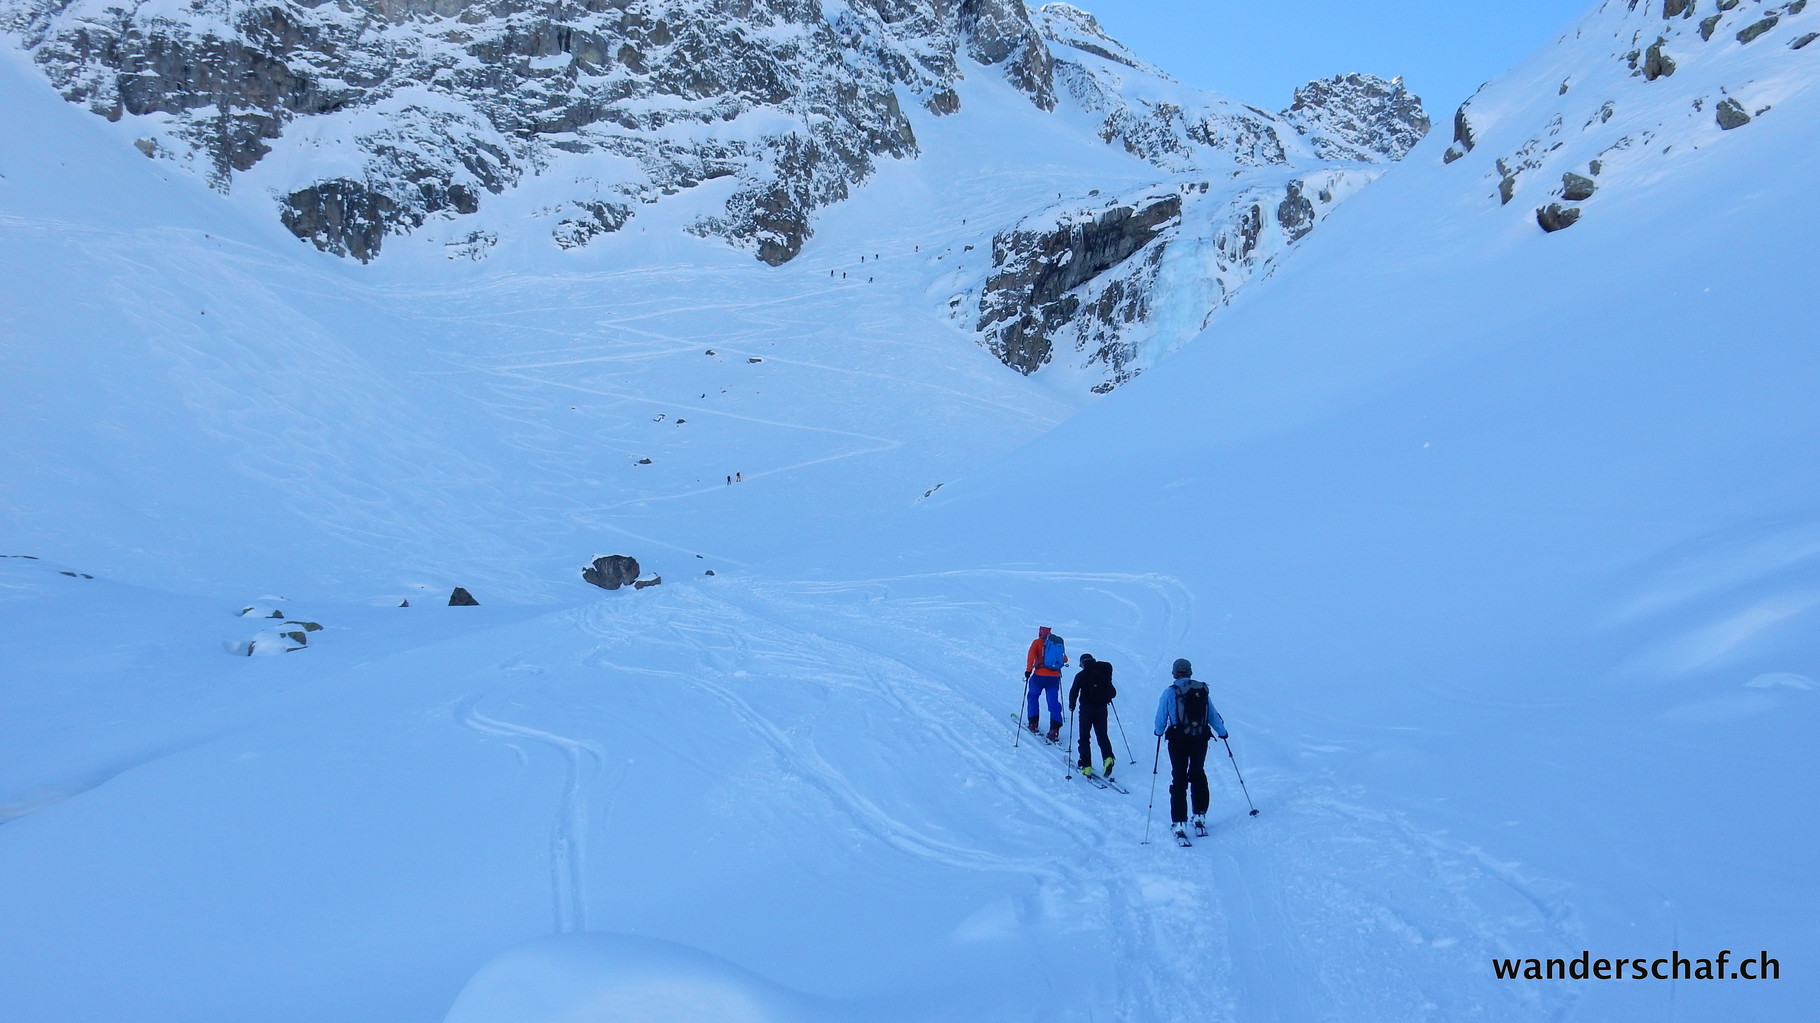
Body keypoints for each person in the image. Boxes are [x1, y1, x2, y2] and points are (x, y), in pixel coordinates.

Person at [1153, 658, 1228, 842]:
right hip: (1200, 738)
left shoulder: (1170, 692)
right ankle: (1200, 815)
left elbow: (1160, 719)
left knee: (1179, 777)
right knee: (1197, 773)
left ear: (1174, 673)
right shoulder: (1201, 690)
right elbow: (1212, 715)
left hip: (1178, 740)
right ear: (1190, 672)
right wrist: (1222, 732)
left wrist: (1159, 731)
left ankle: (1179, 822)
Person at [1069, 654, 1118, 777]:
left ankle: (1086, 766)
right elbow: (1112, 692)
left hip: (1086, 709)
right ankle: (1108, 758)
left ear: (1083, 663)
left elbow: (1074, 691)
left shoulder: (1081, 675)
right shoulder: (1103, 673)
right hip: (1101, 708)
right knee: (1102, 735)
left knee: (1084, 737)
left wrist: (1072, 705)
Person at [1023, 626, 1068, 742]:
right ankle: (1054, 730)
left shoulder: (1037, 643)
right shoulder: (1056, 644)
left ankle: (1033, 724)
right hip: (1054, 678)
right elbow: (1065, 659)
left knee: (1033, 696)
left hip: (1039, 676)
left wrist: (1028, 671)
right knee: (1053, 701)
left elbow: (1031, 657)